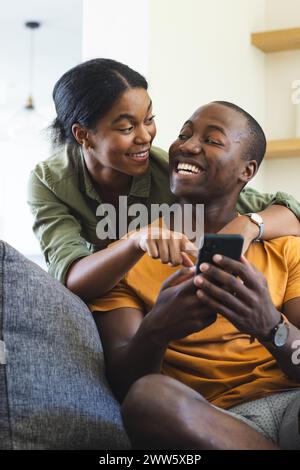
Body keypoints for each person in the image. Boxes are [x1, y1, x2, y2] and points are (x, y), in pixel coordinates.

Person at [89, 101, 300, 450]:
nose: (186, 145)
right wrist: (158, 328)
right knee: (147, 398)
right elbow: (124, 385)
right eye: (184, 135)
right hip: (208, 421)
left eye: (213, 140)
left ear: (246, 171)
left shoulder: (285, 248)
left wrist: (271, 327)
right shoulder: (129, 255)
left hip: (290, 404)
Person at [28, 59, 300, 301]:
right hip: (111, 296)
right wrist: (136, 239)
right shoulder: (50, 181)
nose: (145, 136)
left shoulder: (168, 170)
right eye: (126, 127)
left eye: (149, 119)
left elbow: (288, 211)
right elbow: (70, 276)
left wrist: (248, 223)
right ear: (83, 135)